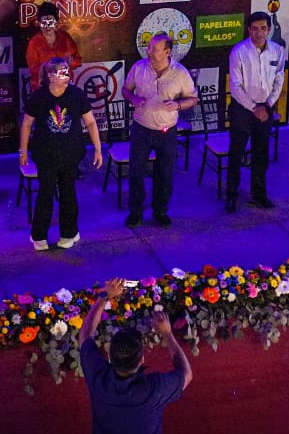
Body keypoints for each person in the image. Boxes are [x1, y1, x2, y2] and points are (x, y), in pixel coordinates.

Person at [79, 277, 191, 434]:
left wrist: (105, 295)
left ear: (110, 357)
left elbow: (85, 334)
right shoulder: (153, 390)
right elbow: (186, 374)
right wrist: (168, 334)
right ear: (142, 360)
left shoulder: (99, 379)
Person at [19, 57, 103, 250]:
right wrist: (23, 150)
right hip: (45, 154)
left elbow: (90, 122)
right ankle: (39, 235)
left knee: (68, 193)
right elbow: (27, 124)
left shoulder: (76, 95)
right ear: (50, 76)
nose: (67, 76)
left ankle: (69, 233)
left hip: (70, 153)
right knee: (45, 194)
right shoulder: (39, 97)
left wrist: (98, 149)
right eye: (61, 72)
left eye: (67, 72)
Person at [122, 33, 198, 227]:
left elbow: (193, 99)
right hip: (141, 129)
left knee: (165, 174)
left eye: (154, 49)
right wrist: (134, 99)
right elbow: (126, 90)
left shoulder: (180, 73)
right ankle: (135, 212)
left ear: (167, 52)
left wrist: (178, 105)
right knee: (136, 172)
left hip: (167, 131)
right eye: (148, 47)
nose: (149, 52)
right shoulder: (139, 67)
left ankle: (160, 211)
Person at [224, 11, 286, 212]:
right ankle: (231, 194)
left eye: (264, 28)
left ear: (269, 29)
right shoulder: (238, 52)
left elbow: (279, 80)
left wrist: (267, 105)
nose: (260, 33)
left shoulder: (277, 50)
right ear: (249, 30)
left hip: (265, 108)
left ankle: (259, 194)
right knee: (236, 153)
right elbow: (235, 85)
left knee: (261, 153)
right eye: (255, 29)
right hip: (242, 109)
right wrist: (253, 107)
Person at [25, 1, 82, 93]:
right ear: (39, 23)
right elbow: (33, 69)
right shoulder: (34, 43)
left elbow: (77, 60)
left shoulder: (65, 38)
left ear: (56, 23)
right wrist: (51, 67)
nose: (47, 26)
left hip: (66, 87)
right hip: (43, 89)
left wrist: (69, 62)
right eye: (44, 22)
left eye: (50, 22)